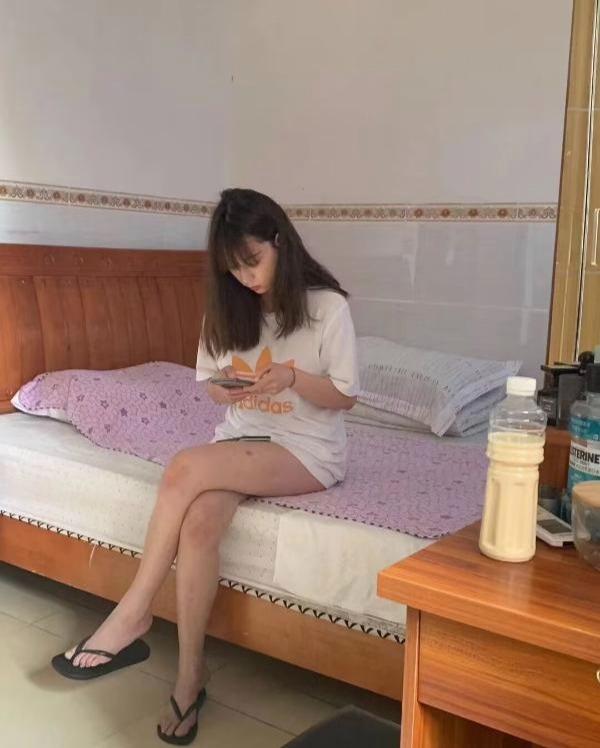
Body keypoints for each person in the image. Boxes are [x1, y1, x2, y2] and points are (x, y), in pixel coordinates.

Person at [51, 188, 359, 745]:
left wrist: (292, 378)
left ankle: (133, 612)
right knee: (197, 527)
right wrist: (228, 387)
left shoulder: (326, 307)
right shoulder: (228, 305)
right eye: (233, 269)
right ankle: (190, 677)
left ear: (280, 242)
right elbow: (212, 387)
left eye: (253, 261)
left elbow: (345, 397)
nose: (246, 278)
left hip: (306, 449)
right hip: (242, 441)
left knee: (183, 468)